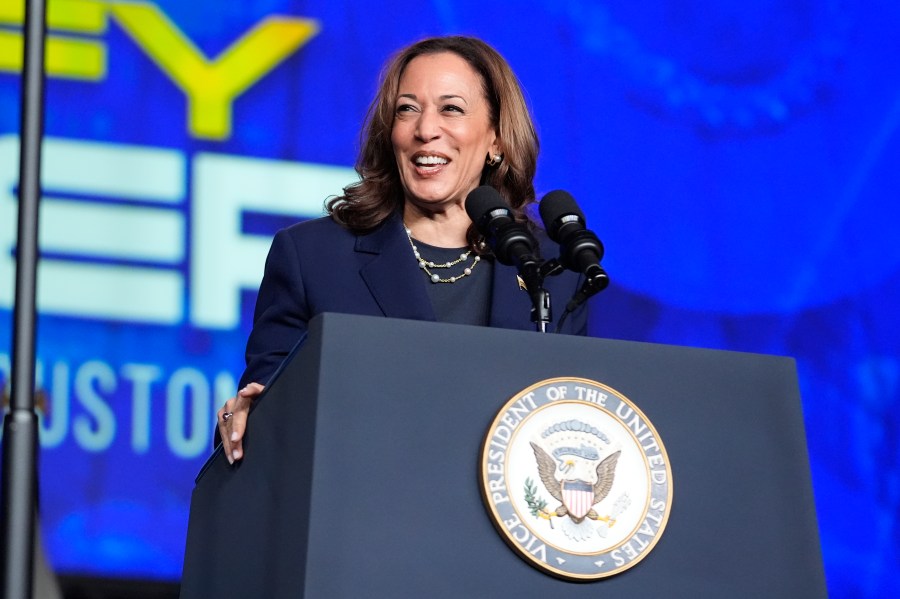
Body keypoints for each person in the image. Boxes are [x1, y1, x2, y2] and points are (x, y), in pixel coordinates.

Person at [216, 35, 589, 464]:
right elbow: (264, 406)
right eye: (407, 109)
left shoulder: (552, 272)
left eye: (451, 109)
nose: (425, 130)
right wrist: (249, 415)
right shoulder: (312, 257)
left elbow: (570, 428)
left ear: (496, 140)